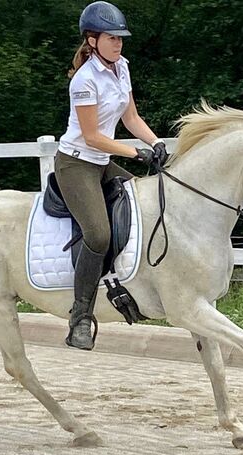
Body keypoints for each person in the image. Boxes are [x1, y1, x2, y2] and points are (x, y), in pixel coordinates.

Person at [55, 1, 168, 350]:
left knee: (145, 204)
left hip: (101, 161)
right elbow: (92, 137)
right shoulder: (85, 80)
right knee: (99, 234)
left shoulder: (122, 68)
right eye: (111, 38)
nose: (119, 43)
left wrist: (156, 142)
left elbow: (130, 117)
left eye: (121, 38)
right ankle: (80, 318)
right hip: (77, 165)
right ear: (91, 40)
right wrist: (135, 152)